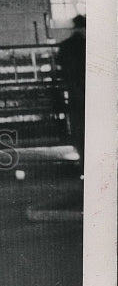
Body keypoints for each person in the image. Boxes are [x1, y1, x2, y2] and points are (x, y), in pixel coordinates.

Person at [57, 14, 86, 173]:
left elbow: (63, 68)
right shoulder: (89, 45)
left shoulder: (66, 46)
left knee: (79, 130)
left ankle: (83, 163)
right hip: (90, 93)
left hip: (75, 94)